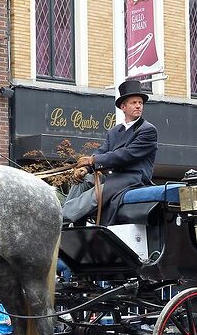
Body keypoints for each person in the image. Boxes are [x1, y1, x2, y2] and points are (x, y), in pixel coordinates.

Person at [62, 79, 158, 226]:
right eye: (134, 102)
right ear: (123, 107)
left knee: (94, 195)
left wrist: (93, 161)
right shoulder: (114, 131)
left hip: (133, 179)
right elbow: (102, 151)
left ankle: (59, 218)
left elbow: (126, 155)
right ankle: (67, 222)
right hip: (114, 178)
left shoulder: (147, 130)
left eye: (140, 103)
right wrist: (85, 168)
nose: (138, 106)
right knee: (83, 179)